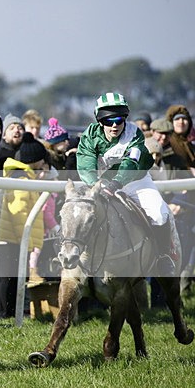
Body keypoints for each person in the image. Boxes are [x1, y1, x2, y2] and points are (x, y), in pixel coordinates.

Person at [77, 92, 176, 276]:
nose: (114, 125)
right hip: (101, 184)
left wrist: (116, 183)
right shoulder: (88, 136)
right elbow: (85, 166)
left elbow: (131, 164)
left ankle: (163, 257)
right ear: (100, 121)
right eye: (108, 121)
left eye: (119, 119)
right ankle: (79, 257)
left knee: (160, 213)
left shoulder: (134, 133)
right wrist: (97, 184)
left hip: (136, 181)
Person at [0, 133, 49, 319]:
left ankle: (7, 314)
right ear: (34, 160)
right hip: (13, 240)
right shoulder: (23, 181)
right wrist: (24, 240)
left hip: (13, 239)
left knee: (11, 279)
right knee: (8, 279)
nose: (43, 163)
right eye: (42, 159)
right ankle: (4, 315)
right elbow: (19, 215)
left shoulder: (25, 178)